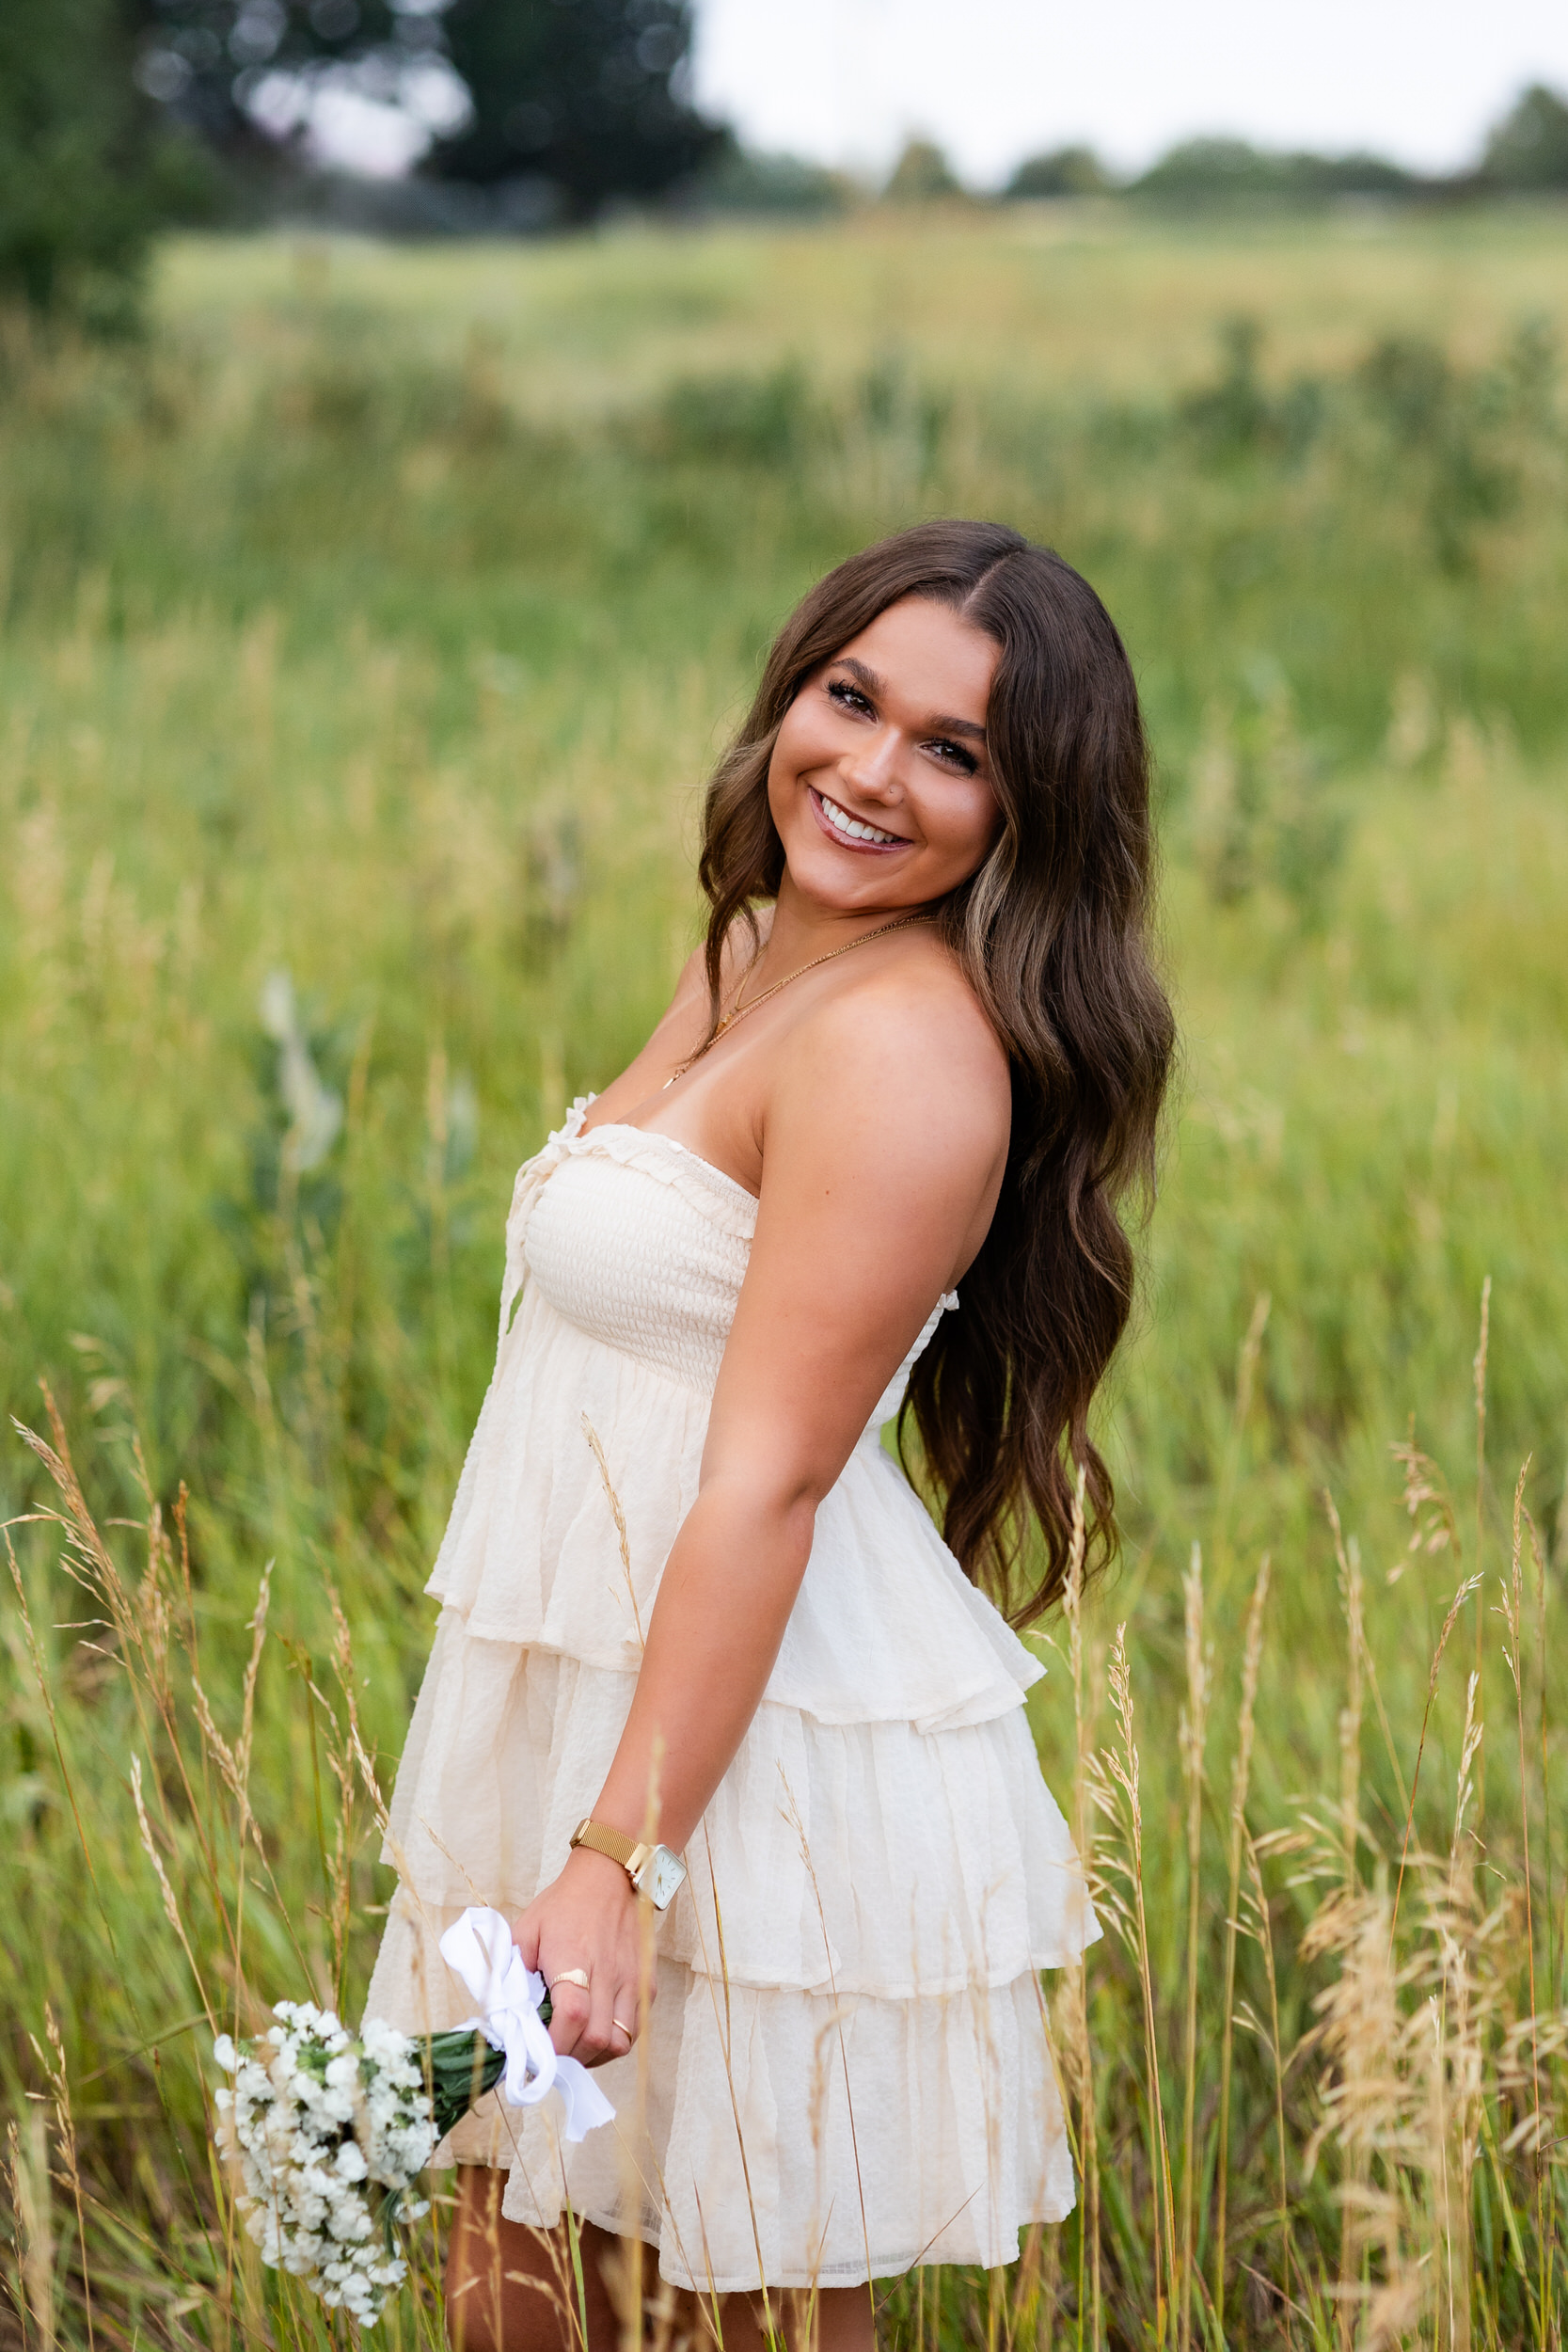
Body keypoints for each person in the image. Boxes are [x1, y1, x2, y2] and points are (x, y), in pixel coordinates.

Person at [364, 519, 1175, 2350]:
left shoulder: (904, 1049)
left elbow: (771, 1475)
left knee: (738, 2302)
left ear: (1028, 808)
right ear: (791, 688)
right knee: (512, 2285)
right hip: (593, 1677)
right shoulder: (755, 948)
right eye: (852, 696)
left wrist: (618, 1852)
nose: (873, 768)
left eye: (954, 750)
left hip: (734, 1748)